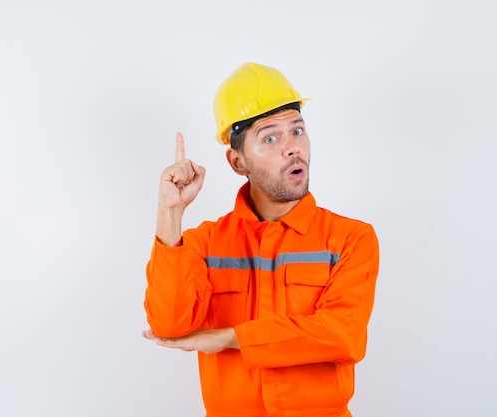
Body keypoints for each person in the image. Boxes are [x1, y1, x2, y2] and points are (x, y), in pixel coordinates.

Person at [142, 62, 379, 417]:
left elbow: (342, 335)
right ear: (238, 162)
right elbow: (169, 324)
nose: (292, 148)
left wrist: (229, 337)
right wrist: (170, 214)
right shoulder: (204, 243)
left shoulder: (349, 239)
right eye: (270, 137)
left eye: (297, 131)